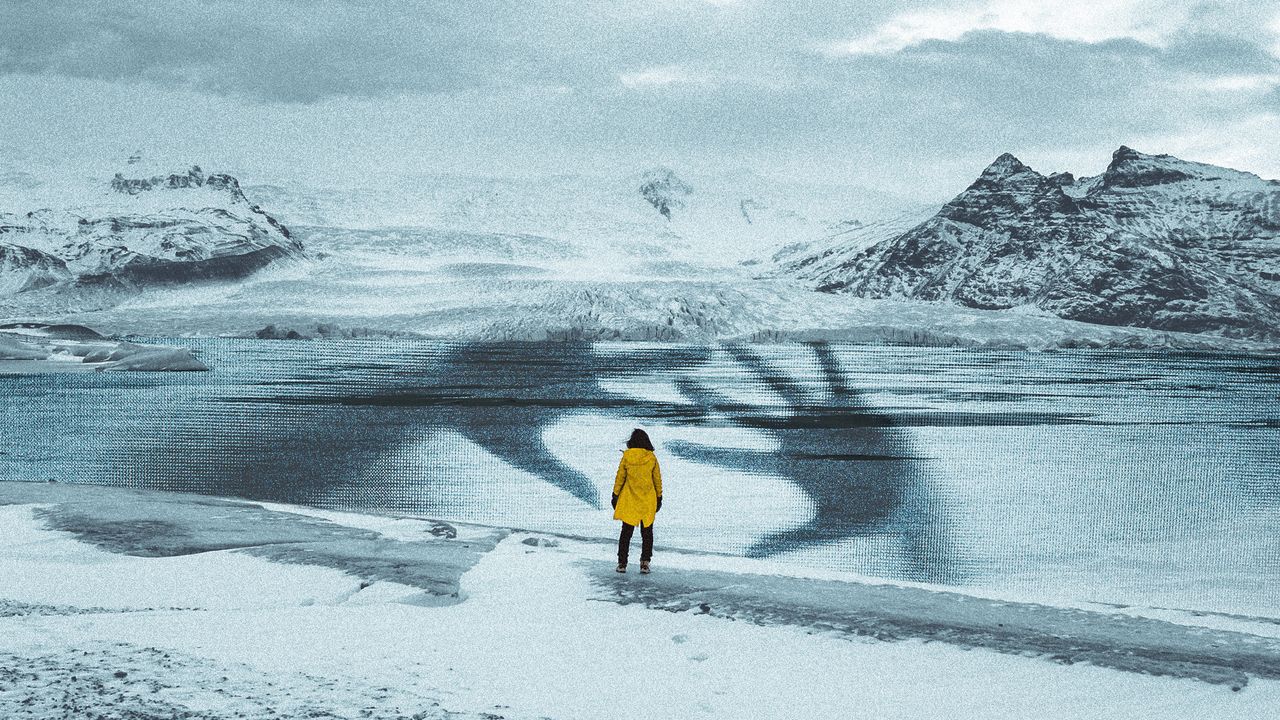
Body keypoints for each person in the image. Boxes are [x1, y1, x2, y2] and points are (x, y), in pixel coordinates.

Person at [611, 428, 663, 574]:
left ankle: (622, 563)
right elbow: (657, 480)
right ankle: (645, 563)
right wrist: (659, 497)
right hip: (647, 499)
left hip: (630, 499)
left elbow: (620, 477)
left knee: (626, 533)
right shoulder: (651, 458)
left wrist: (615, 495)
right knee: (647, 533)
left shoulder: (627, 457)